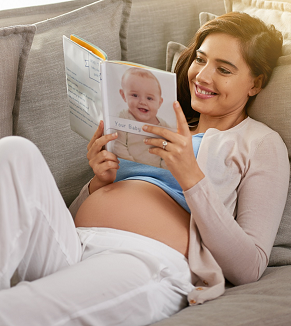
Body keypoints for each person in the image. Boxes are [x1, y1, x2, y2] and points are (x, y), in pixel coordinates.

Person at [0, 12, 289, 326]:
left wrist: (192, 177)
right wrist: (98, 182)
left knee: (15, 310)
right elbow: (75, 214)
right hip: (74, 243)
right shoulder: (150, 123)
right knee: (15, 152)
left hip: (146, 261)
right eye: (200, 59)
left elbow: (249, 267)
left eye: (223, 69)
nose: (203, 76)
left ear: (255, 83)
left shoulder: (259, 142)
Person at [113, 67, 169, 168]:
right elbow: (118, 146)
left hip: (158, 173)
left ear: (159, 102)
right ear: (123, 95)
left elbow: (168, 152)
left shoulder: (164, 126)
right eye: (135, 95)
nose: (142, 102)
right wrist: (134, 168)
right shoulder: (123, 118)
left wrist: (163, 170)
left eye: (149, 98)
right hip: (130, 170)